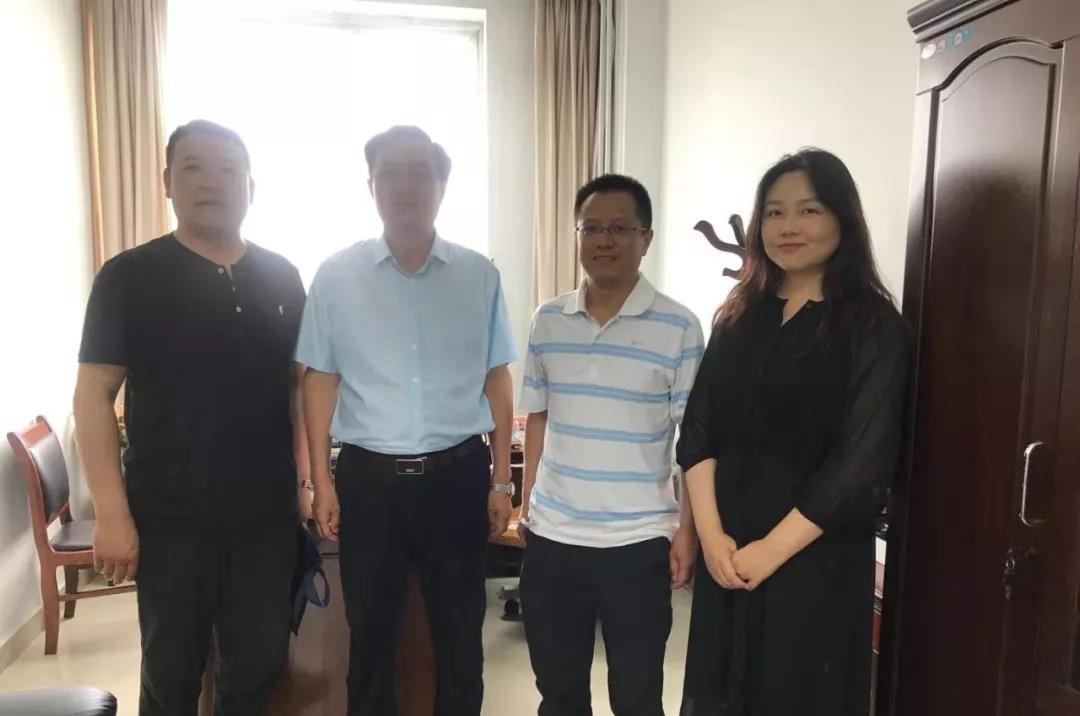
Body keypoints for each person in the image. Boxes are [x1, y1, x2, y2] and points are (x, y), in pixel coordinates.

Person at [73, 120, 310, 716]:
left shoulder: (283, 276)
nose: (211, 182)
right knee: (171, 674)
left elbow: (298, 390)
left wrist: (306, 483)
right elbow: (94, 395)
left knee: (257, 669)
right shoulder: (128, 276)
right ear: (167, 182)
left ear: (250, 186)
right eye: (193, 168)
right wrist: (110, 514)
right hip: (169, 518)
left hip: (265, 518)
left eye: (228, 169)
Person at [676, 148, 910, 716]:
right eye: (775, 212)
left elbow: (861, 466)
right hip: (728, 552)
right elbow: (700, 428)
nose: (788, 227)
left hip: (814, 559)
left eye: (809, 210)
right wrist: (711, 536)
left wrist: (770, 553)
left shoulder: (874, 325)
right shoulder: (738, 313)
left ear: (842, 218)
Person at [297, 125, 517, 716]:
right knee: (370, 638)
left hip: (458, 477)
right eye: (390, 173)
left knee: (460, 634)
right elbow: (320, 380)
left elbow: (497, 377)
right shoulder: (336, 276)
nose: (405, 186)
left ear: (442, 185)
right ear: (370, 185)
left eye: (421, 172)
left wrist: (501, 480)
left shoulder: (479, 275)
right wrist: (320, 481)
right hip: (369, 481)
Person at [518, 174, 704, 716]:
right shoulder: (548, 320)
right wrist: (527, 503)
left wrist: (686, 530)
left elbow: (694, 442)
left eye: (620, 228)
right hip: (554, 538)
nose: (604, 240)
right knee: (559, 694)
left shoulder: (679, 327)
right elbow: (538, 417)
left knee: (638, 696)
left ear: (646, 238)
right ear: (576, 235)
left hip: (638, 540)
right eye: (591, 228)